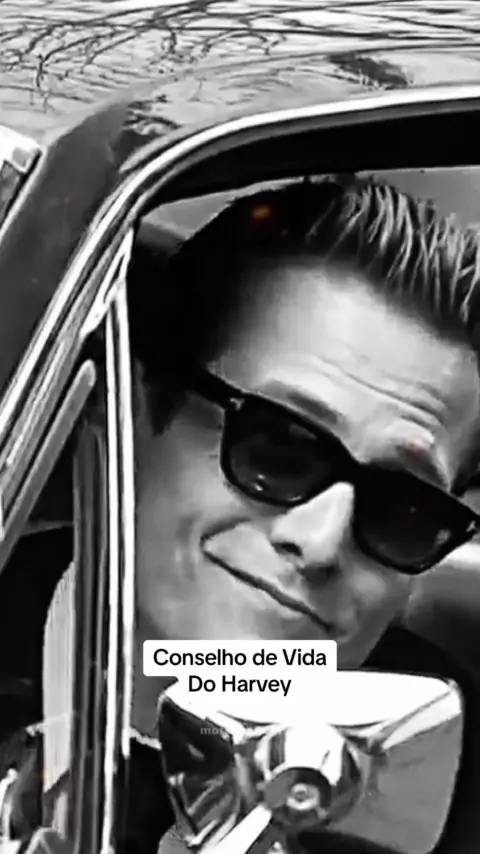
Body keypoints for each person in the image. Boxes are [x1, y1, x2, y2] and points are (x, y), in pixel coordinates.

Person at [130, 175, 480, 734]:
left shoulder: (456, 759)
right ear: (138, 409)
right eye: (281, 448)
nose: (319, 543)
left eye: (402, 508)